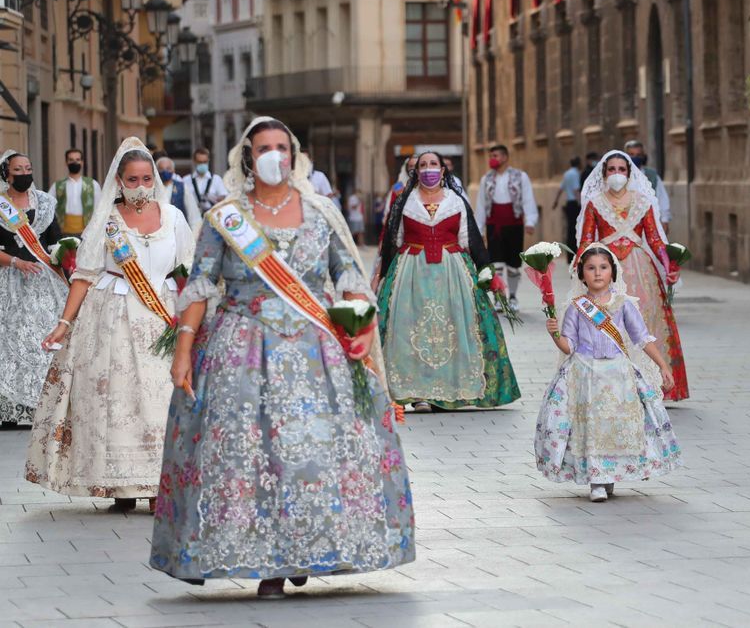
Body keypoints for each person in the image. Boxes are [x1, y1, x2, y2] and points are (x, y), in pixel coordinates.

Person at [150, 117, 414, 597]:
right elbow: (201, 285)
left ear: (293, 155)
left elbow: (349, 276)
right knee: (250, 455)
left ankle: (307, 549)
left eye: (282, 147)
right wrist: (183, 352)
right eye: (264, 148)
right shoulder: (225, 217)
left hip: (317, 349)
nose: (275, 155)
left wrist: (357, 324)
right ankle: (267, 564)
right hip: (242, 348)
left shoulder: (321, 213)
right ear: (248, 157)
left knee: (315, 453)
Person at [25, 137, 194, 513]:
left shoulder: (174, 218)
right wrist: (64, 323)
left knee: (159, 399)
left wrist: (191, 322)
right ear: (118, 181)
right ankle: (121, 486)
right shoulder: (106, 221)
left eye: (146, 178)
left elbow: (188, 271)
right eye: (132, 180)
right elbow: (83, 276)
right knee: (117, 398)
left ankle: (157, 485)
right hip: (113, 316)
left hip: (161, 316)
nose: (140, 186)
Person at [377, 150, 519, 414]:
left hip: (452, 274)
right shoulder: (404, 202)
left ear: (443, 170)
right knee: (410, 330)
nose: (428, 169)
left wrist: (486, 271)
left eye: (433, 164)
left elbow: (471, 240)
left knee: (456, 329)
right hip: (411, 273)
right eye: (423, 165)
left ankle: (450, 391)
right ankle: (418, 393)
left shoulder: (456, 202)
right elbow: (393, 241)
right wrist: (383, 275)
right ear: (415, 171)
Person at [536, 244, 682, 502]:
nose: (597, 273)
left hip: (618, 374)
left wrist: (663, 364)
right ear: (582, 275)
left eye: (603, 267)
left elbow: (641, 338)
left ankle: (610, 472)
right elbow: (568, 345)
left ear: (613, 272)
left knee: (614, 424)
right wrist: (554, 334)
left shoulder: (624, 304)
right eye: (591, 268)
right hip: (585, 373)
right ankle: (597, 479)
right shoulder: (576, 307)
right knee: (591, 425)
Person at [577, 150, 689, 401]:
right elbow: (586, 239)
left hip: (641, 269)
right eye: (611, 170)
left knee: (645, 320)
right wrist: (580, 266)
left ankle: (655, 381)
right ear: (604, 174)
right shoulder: (595, 203)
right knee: (608, 322)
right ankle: (612, 383)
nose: (616, 174)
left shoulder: (643, 201)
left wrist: (669, 264)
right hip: (607, 268)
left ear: (629, 174)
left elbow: (656, 240)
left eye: (621, 169)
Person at [0, 151, 67, 426]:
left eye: (28, 167)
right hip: (10, 280)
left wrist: (64, 265)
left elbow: (57, 242)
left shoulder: (45, 204)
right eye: (18, 169)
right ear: (6, 173)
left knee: (43, 340)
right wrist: (16, 261)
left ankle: (44, 404)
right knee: (11, 342)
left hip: (44, 280)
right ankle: (12, 409)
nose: (25, 173)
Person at [474, 144, 537, 312]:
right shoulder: (486, 179)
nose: (492, 159)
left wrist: (530, 220)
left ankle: (513, 296)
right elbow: (481, 204)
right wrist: (479, 228)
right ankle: (499, 297)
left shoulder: (520, 176)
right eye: (491, 156)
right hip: (494, 225)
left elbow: (528, 198)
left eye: (495, 155)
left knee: (513, 264)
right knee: (496, 263)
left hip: (514, 224)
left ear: (505, 157)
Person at [623, 140, 671, 234]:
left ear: (643, 156)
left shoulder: (651, 175)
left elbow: (662, 198)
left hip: (649, 225)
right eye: (632, 154)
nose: (635, 158)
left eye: (638, 154)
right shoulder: (619, 176)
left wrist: (665, 220)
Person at [53, 148, 96, 237]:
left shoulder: (92, 184)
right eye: (71, 160)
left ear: (82, 162)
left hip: (87, 233)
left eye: (77, 160)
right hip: (63, 233)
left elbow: (99, 208)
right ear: (66, 162)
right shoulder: (58, 185)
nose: (74, 162)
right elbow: (49, 206)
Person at [157, 156, 202, 228]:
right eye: (161, 169)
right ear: (157, 171)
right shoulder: (152, 188)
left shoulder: (182, 187)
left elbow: (193, 215)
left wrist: (194, 236)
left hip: (178, 230)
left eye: (168, 169)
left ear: (173, 171)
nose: (165, 172)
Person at [182, 147, 228, 213]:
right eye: (200, 162)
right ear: (194, 161)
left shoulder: (216, 179)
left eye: (205, 162)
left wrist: (217, 199)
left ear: (208, 161)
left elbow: (224, 198)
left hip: (211, 217)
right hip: (192, 218)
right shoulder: (186, 180)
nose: (202, 164)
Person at [551, 157, 583, 247]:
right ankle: (574, 249)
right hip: (575, 203)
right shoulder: (575, 174)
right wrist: (580, 203)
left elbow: (560, 189)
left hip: (569, 203)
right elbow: (576, 189)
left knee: (570, 227)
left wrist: (556, 201)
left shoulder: (567, 173)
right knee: (575, 228)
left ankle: (569, 253)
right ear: (578, 164)